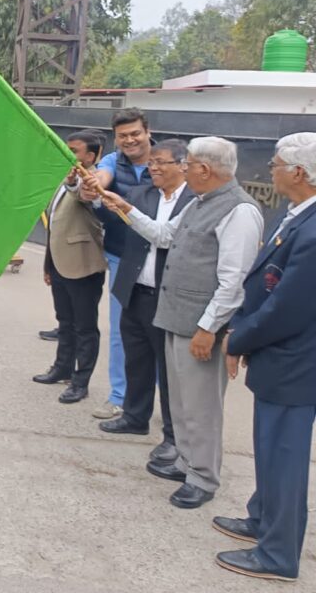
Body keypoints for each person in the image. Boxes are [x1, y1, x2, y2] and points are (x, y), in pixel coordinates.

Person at [97, 136, 263, 510]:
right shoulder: (199, 202)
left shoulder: (239, 211)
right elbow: (164, 235)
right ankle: (186, 462)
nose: (183, 169)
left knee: (202, 408)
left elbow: (233, 280)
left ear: (204, 169)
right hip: (175, 318)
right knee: (183, 402)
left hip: (200, 327)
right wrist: (125, 208)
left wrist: (208, 328)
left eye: (186, 164)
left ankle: (203, 478)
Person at [214, 133, 316, 583]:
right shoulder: (297, 214)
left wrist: (238, 339)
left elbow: (288, 307)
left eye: (275, 165)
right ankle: (262, 518)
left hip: (296, 363)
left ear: (299, 172)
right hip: (281, 358)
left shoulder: (312, 229)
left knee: (284, 457)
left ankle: (277, 554)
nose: (269, 171)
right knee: (269, 450)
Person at [101, 140, 193, 467]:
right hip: (135, 290)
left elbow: (165, 237)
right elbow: (108, 215)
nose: (153, 168)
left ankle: (173, 436)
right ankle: (134, 416)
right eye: (151, 162)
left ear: (183, 165)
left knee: (169, 371)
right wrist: (90, 195)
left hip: (168, 297)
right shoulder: (142, 194)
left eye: (161, 162)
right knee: (136, 359)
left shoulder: (194, 201)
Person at [88, 108, 153, 420]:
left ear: (148, 132)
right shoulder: (113, 162)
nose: (130, 140)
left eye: (135, 133)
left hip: (160, 258)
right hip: (122, 257)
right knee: (121, 330)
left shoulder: (167, 161)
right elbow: (102, 176)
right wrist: (93, 185)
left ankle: (157, 397)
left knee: (158, 333)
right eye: (123, 136)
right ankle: (119, 396)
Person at [32, 130, 106, 404]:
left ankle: (80, 381)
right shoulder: (64, 179)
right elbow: (55, 226)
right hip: (59, 262)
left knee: (84, 327)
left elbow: (87, 197)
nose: (68, 153)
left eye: (74, 150)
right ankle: (62, 368)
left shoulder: (95, 180)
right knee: (65, 321)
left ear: (91, 156)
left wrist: (76, 182)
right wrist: (48, 265)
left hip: (83, 265)